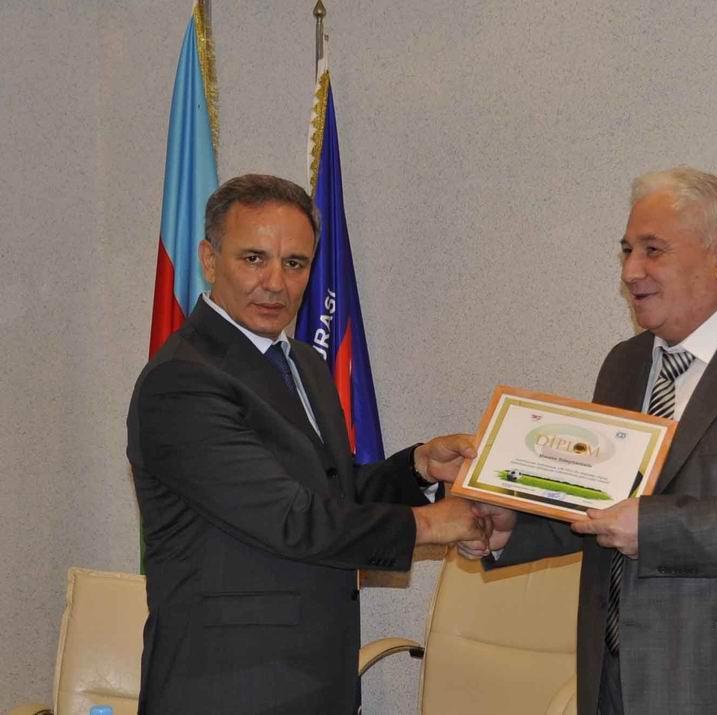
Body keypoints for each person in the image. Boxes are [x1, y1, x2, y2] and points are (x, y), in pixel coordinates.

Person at [459, 167, 717, 714]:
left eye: (653, 250)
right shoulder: (625, 363)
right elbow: (606, 501)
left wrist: (655, 527)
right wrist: (516, 530)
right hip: (614, 683)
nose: (631, 271)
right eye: (627, 250)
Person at [126, 174, 484, 714]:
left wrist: (417, 468)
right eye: (253, 258)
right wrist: (433, 525)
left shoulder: (305, 364)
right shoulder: (182, 380)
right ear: (209, 260)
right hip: (227, 690)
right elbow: (290, 518)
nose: (275, 282)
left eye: (295, 263)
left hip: (315, 682)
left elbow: (329, 491)